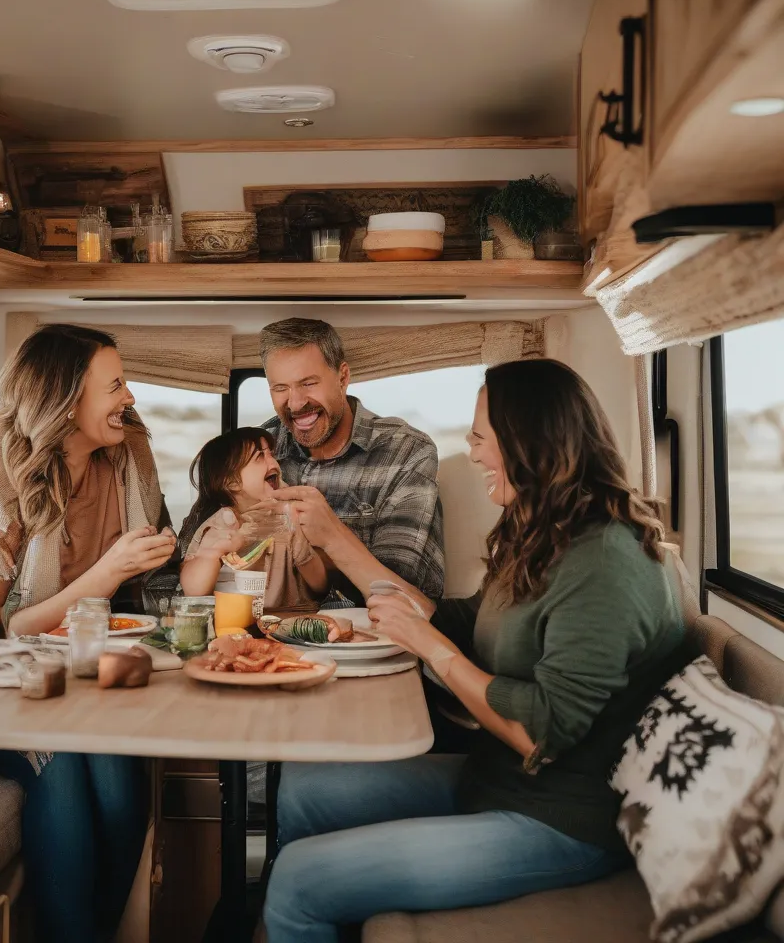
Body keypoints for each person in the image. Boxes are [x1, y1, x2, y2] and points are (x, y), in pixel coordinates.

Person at [262, 358, 688, 943]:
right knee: (304, 790)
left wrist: (429, 648)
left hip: (564, 818)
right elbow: (459, 623)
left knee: (298, 881)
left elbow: (540, 733)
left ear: (529, 441)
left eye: (481, 436)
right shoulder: (543, 531)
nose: (474, 451)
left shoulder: (605, 561)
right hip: (498, 777)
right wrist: (355, 572)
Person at [0, 323, 178, 943]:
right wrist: (106, 572)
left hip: (87, 671)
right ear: (67, 400)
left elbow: (153, 584)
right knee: (64, 779)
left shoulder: (129, 455)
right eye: (116, 384)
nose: (130, 398)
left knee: (124, 794)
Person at [258, 318, 445, 608]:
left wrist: (330, 535)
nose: (295, 404)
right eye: (280, 388)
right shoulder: (261, 447)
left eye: (308, 383)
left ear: (343, 377)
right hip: (272, 636)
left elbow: (402, 589)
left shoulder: (405, 451)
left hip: (373, 634)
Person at [178, 427, 329, 614]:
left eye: (271, 454)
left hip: (293, 619)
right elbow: (193, 591)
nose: (273, 462)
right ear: (232, 482)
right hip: (236, 623)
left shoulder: (291, 518)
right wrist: (212, 554)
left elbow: (320, 586)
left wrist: (300, 546)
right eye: (260, 457)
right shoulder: (223, 525)